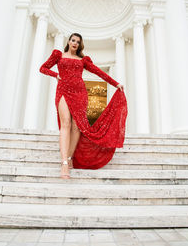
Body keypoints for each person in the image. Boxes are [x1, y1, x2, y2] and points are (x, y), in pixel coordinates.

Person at [39, 33, 128, 179]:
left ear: (80, 45)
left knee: (76, 127)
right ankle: (64, 164)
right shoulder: (58, 55)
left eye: (78, 42)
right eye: (73, 40)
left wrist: (116, 83)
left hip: (80, 93)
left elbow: (100, 72)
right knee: (66, 123)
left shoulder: (83, 60)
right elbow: (42, 68)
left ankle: (69, 157)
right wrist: (55, 75)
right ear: (68, 41)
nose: (75, 43)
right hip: (62, 90)